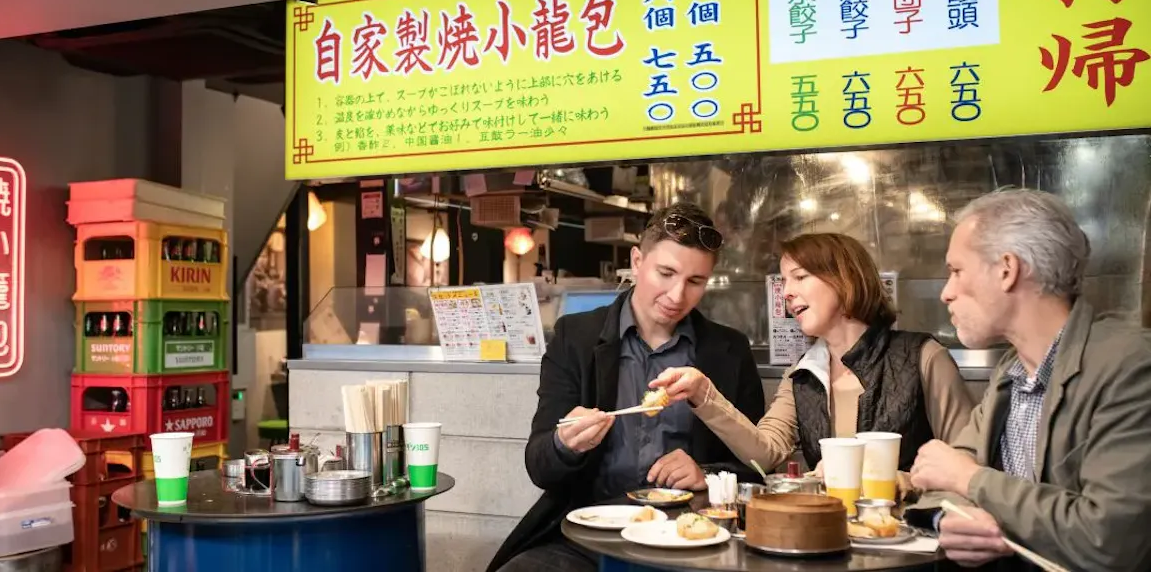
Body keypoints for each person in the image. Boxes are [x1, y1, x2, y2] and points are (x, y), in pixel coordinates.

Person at [487, 203, 766, 572]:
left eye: (695, 281)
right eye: (666, 273)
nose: (677, 295)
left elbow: (759, 467)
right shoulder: (576, 338)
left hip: (689, 535)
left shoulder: (727, 350)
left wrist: (707, 474)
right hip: (590, 533)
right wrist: (565, 444)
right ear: (637, 262)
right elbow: (539, 466)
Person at [908, 189, 1151, 571]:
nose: (946, 293)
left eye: (956, 271)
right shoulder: (1011, 372)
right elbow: (940, 481)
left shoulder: (1131, 366)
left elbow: (1109, 542)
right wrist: (949, 520)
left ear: (1007, 269)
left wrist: (972, 481)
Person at [652, 233, 974, 491]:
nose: (786, 293)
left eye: (800, 277)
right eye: (784, 281)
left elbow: (968, 466)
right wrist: (703, 394)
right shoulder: (804, 373)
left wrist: (899, 482)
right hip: (828, 536)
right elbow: (765, 453)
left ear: (844, 278)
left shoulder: (923, 357)